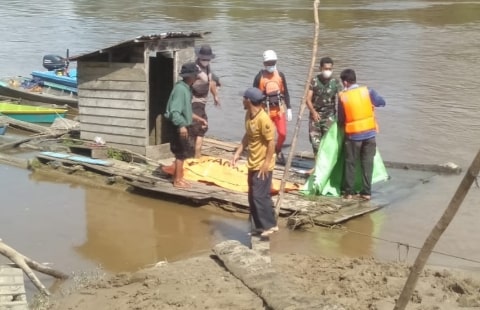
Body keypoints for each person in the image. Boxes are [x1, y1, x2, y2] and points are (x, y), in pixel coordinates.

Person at [232, 87, 278, 237]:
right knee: (252, 196)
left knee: (260, 195)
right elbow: (247, 134)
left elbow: (271, 143)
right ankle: (259, 226)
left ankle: (270, 226)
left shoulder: (263, 119)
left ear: (249, 101)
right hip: (253, 161)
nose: (242, 100)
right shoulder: (249, 114)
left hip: (263, 164)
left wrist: (266, 164)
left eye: (244, 98)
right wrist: (238, 152)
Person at [337, 69, 386, 200]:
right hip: (370, 135)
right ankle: (366, 193)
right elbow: (382, 102)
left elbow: (341, 119)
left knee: (351, 163)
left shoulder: (343, 96)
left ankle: (349, 193)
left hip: (353, 136)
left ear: (345, 82)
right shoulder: (368, 91)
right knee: (367, 163)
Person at [163, 62, 207, 188]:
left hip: (181, 124)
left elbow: (186, 111)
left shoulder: (186, 88)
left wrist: (199, 119)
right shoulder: (180, 89)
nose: (197, 78)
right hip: (177, 125)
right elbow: (175, 111)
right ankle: (177, 181)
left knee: (183, 152)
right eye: (196, 75)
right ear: (191, 77)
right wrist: (181, 125)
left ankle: (178, 177)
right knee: (180, 153)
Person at [253, 50, 291, 164]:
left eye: (273, 62)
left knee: (282, 134)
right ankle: (265, 153)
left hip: (279, 110)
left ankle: (278, 149)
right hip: (265, 111)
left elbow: (286, 92)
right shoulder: (259, 77)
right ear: (264, 64)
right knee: (266, 135)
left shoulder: (280, 75)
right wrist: (254, 112)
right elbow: (253, 95)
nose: (271, 65)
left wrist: (289, 108)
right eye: (268, 63)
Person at [306, 57, 342, 155]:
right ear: (320, 69)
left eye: (330, 69)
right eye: (326, 69)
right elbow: (308, 99)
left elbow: (342, 98)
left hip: (330, 116)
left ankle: (327, 167)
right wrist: (313, 112)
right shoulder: (314, 81)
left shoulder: (335, 82)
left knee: (329, 142)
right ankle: (316, 166)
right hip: (315, 116)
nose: (328, 71)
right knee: (315, 143)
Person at [190, 44, 221, 158]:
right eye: (204, 59)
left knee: (199, 129)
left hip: (202, 102)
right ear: (199, 57)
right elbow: (208, 82)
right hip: (194, 102)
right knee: (200, 129)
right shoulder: (195, 68)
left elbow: (211, 81)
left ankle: (195, 155)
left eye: (207, 59)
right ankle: (196, 157)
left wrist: (215, 96)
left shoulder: (208, 68)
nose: (206, 61)